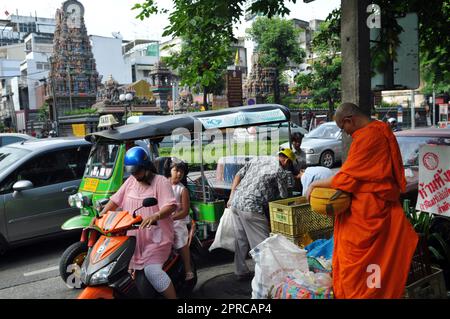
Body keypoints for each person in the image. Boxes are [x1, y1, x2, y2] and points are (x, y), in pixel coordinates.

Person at [306, 102, 418, 299]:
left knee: (358, 265)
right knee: (375, 261)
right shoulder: (382, 130)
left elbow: (346, 178)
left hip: (367, 212)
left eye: (344, 128)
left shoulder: (368, 137)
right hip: (375, 208)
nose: (346, 133)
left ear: (349, 120)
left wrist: (315, 185)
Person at [99, 147, 178, 299]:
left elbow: (171, 205)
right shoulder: (130, 181)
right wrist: (100, 216)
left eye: (137, 171)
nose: (134, 175)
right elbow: (115, 200)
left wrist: (156, 215)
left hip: (156, 240)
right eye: (132, 172)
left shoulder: (160, 182)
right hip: (132, 241)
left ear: (146, 167)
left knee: (152, 271)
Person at [227, 149, 295, 280]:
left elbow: (238, 175)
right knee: (263, 244)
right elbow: (283, 196)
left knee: (241, 240)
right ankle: (266, 277)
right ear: (286, 161)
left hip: (236, 202)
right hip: (251, 206)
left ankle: (240, 271)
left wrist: (231, 196)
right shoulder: (279, 170)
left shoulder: (258, 158)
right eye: (290, 164)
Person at [166, 158, 195, 282]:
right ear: (170, 170)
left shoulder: (182, 189)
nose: (179, 174)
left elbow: (185, 211)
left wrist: (171, 218)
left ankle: (188, 269)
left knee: (180, 239)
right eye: (176, 170)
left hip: (177, 220)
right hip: (162, 219)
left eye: (181, 172)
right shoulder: (162, 184)